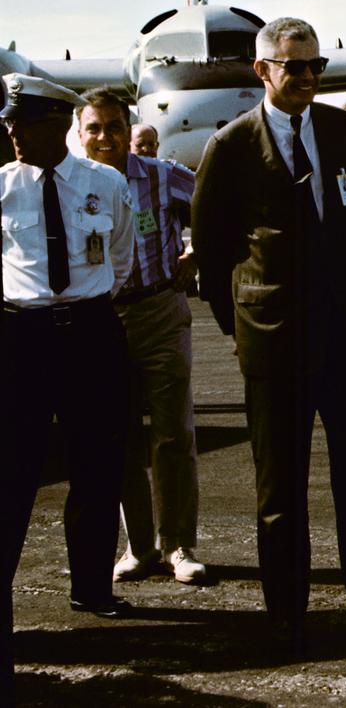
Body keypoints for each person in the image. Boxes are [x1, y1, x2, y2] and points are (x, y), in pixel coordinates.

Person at [191, 17, 346, 652]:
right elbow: (214, 251)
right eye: (293, 67)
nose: (307, 77)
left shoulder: (341, 131)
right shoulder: (229, 146)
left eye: (315, 67)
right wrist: (248, 330)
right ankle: (287, 619)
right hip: (275, 344)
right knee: (280, 493)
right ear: (263, 71)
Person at [2, 74, 135, 701]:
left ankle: (92, 587)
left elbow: (123, 254)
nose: (9, 133)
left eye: (20, 123)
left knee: (98, 461)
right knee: (13, 469)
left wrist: (86, 306)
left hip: (90, 331)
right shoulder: (1, 186)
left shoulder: (104, 183)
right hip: (21, 337)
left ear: (56, 123)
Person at [72, 89, 207, 587]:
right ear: (81, 132)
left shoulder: (161, 175)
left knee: (173, 432)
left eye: (113, 126)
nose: (105, 137)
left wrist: (198, 255)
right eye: (95, 128)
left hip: (158, 308)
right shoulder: (71, 182)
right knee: (119, 435)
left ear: (129, 129)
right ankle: (141, 546)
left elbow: (212, 210)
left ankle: (179, 544)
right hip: (99, 317)